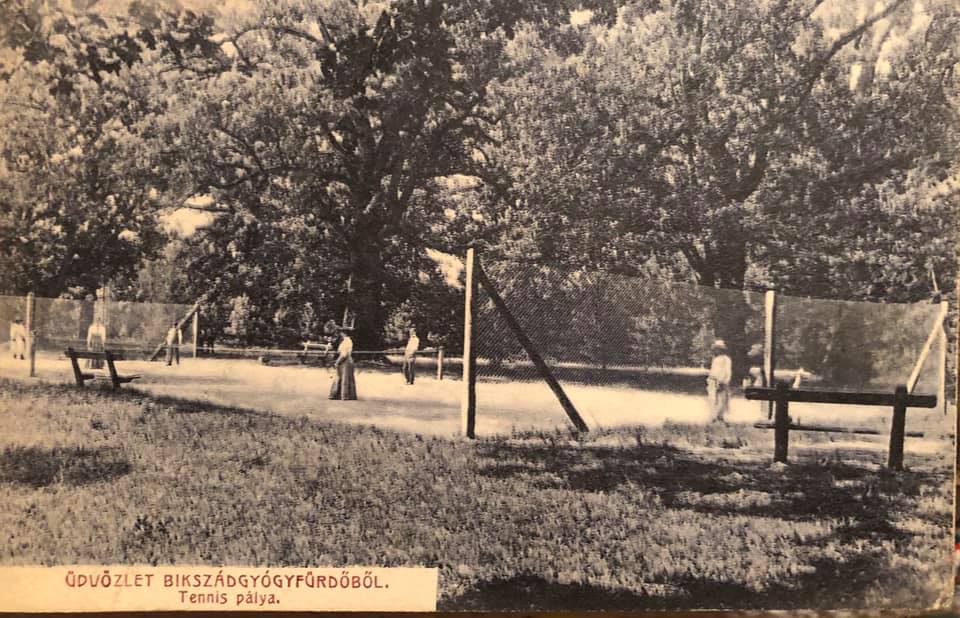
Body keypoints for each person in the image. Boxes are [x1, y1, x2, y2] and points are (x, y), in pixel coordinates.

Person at [707, 339, 732, 423]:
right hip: (712, 380)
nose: (716, 351)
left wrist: (722, 380)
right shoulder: (715, 358)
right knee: (712, 398)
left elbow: (726, 371)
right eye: (715, 349)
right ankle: (713, 415)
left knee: (722, 398)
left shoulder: (726, 359)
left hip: (721, 380)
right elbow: (713, 370)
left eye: (717, 349)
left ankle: (720, 415)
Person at [329, 327, 357, 400]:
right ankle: (345, 394)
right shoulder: (348, 341)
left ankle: (343, 395)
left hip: (345, 361)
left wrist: (337, 362)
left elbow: (344, 354)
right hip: (348, 360)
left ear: (344, 333)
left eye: (341, 332)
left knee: (343, 377)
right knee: (345, 377)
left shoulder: (346, 341)